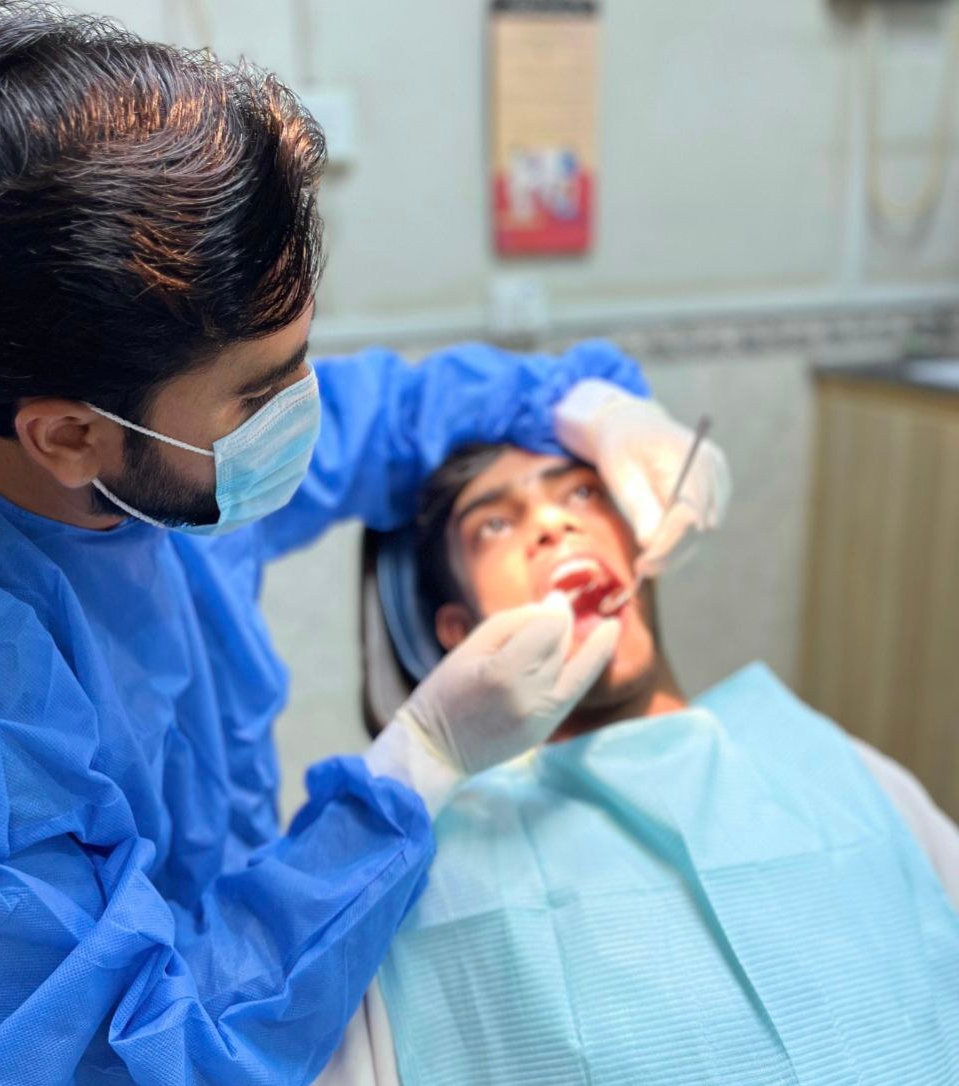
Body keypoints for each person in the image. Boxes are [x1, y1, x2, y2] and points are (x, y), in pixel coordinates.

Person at [0, 5, 732, 1083]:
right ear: (69, 436)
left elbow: (403, 414)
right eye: (260, 395)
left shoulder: (153, 473)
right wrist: (416, 767)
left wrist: (595, 409)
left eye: (301, 358)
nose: (305, 413)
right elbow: (142, 1054)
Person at [318, 443, 959, 1086]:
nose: (554, 523)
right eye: (496, 523)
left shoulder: (837, 767)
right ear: (461, 633)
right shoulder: (414, 880)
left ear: (644, 550)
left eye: (583, 493)